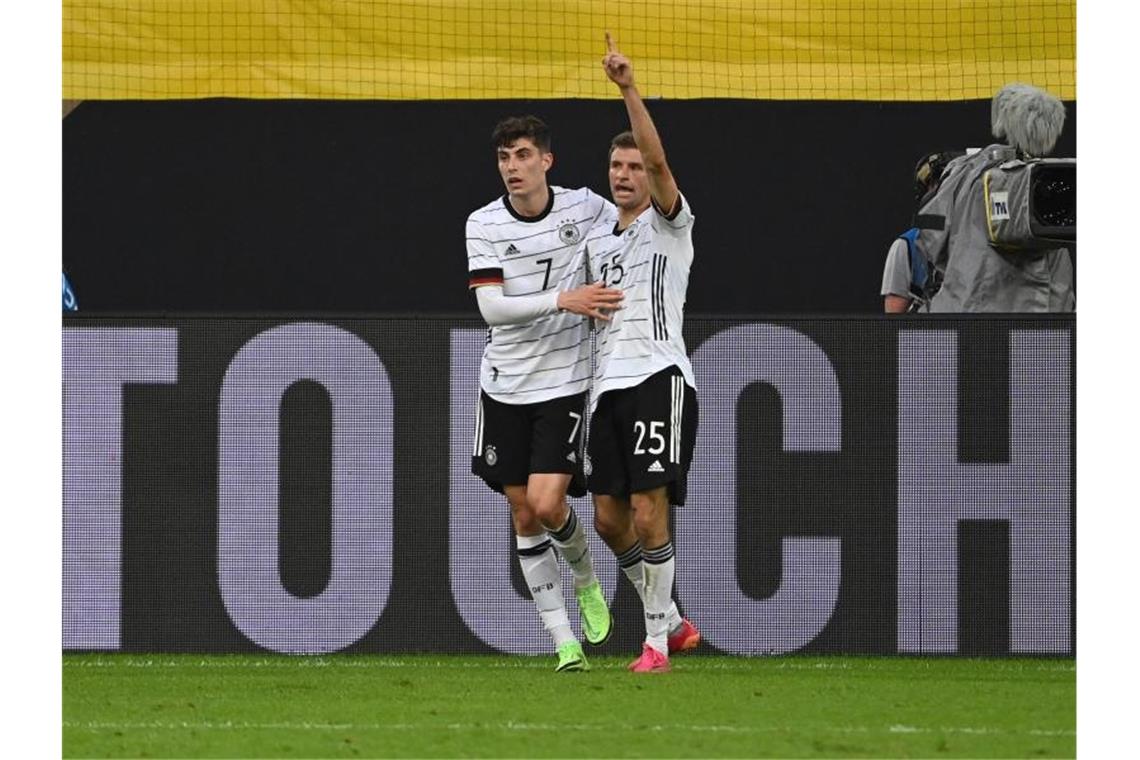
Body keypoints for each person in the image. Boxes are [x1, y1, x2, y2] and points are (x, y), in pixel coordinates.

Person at [465, 114, 623, 672]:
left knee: (547, 503)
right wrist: (564, 299)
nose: (513, 167)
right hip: (504, 385)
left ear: (546, 161)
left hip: (566, 382)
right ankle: (564, 642)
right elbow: (491, 309)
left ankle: (583, 575)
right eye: (505, 158)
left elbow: (633, 226)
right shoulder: (482, 223)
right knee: (523, 515)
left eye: (523, 155)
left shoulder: (585, 207)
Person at [583, 34, 701, 674]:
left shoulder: (669, 223)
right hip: (607, 389)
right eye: (617, 168)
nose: (627, 175)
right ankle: (675, 621)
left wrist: (629, 88)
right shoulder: (599, 239)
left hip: (659, 376)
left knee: (651, 506)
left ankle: (656, 641)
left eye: (634, 167)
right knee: (607, 518)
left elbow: (661, 167)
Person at [914, 83, 1074, 312]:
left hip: (974, 308)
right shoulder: (1048, 180)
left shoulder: (964, 172)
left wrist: (953, 268)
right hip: (1035, 319)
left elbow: (929, 232)